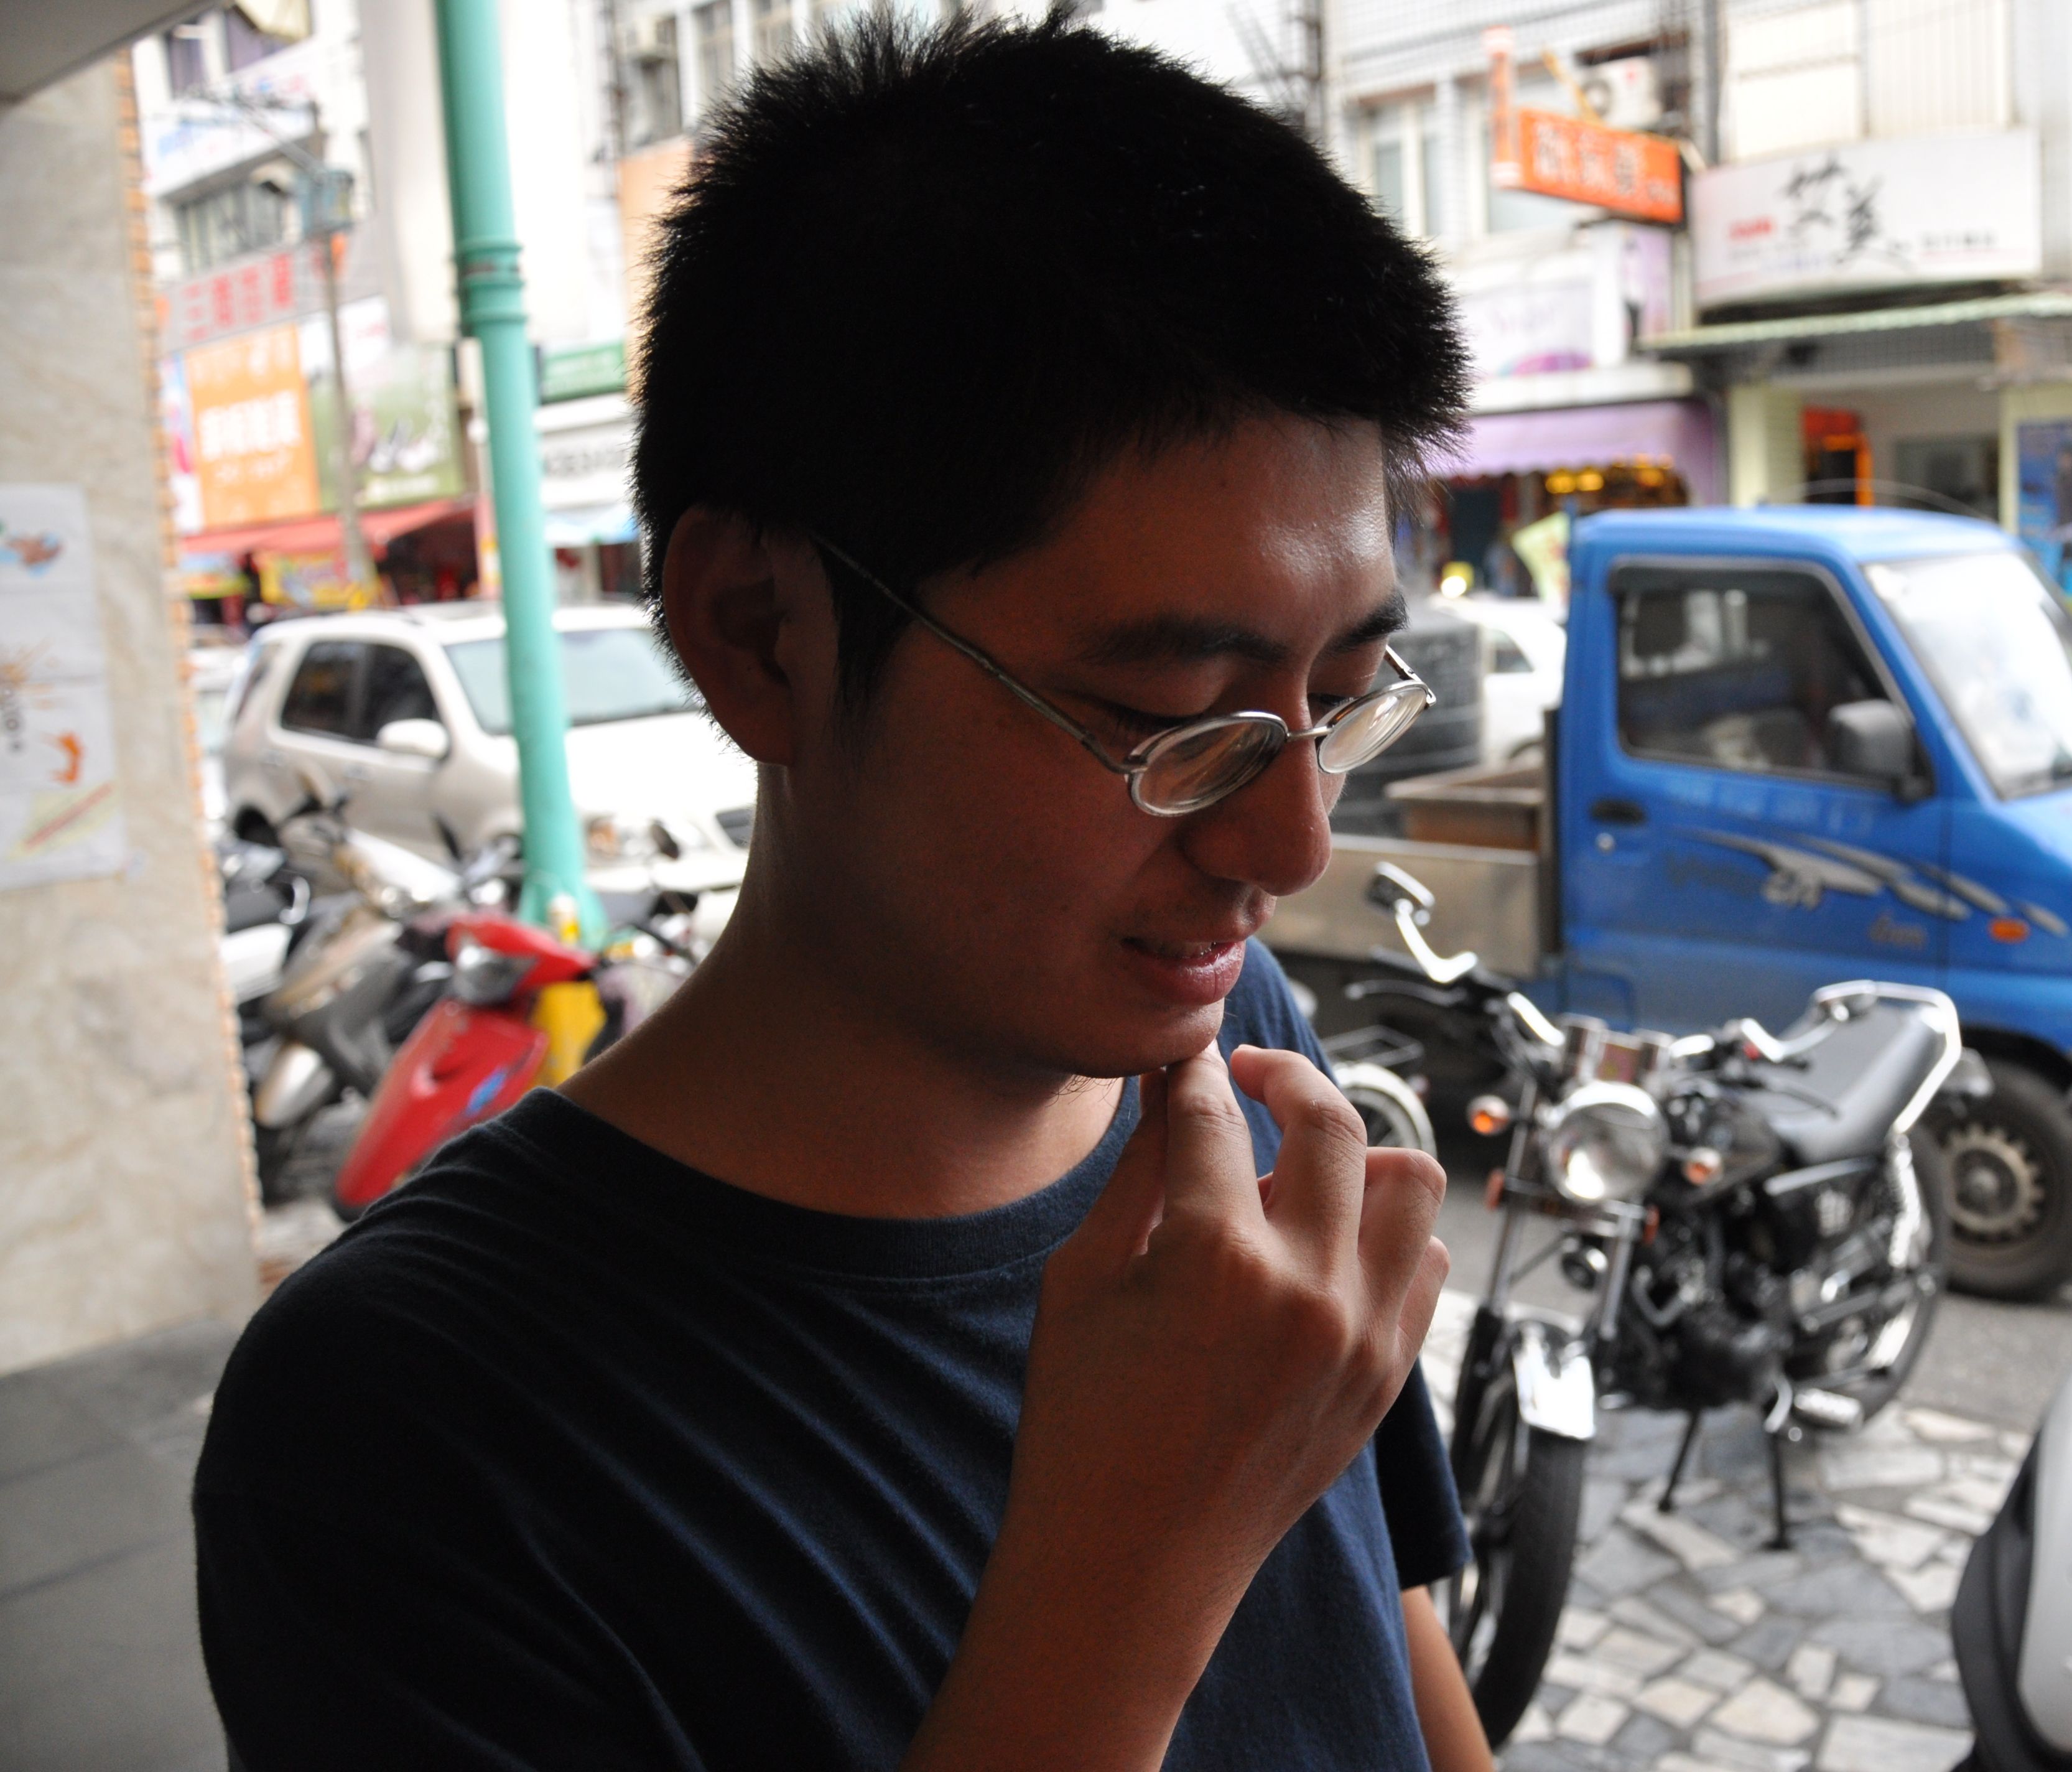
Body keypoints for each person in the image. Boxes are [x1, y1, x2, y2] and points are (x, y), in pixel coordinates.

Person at [193, 17, 1496, 1770]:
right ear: (760, 635)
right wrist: (1134, 1566)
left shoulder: (1226, 1054)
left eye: (1336, 698)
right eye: (1170, 717)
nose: (1289, 845)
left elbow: (1392, 1647)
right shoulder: (407, 1426)